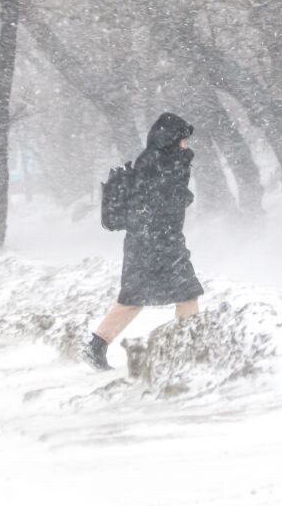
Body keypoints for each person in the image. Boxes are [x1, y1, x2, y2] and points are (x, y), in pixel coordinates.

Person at [82, 112, 204, 371]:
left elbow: (163, 196)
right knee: (185, 292)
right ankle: (189, 347)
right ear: (171, 139)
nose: (186, 144)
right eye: (183, 139)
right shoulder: (159, 161)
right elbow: (161, 200)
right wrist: (182, 195)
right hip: (157, 241)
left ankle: (97, 345)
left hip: (149, 240)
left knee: (139, 296)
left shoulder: (159, 159)